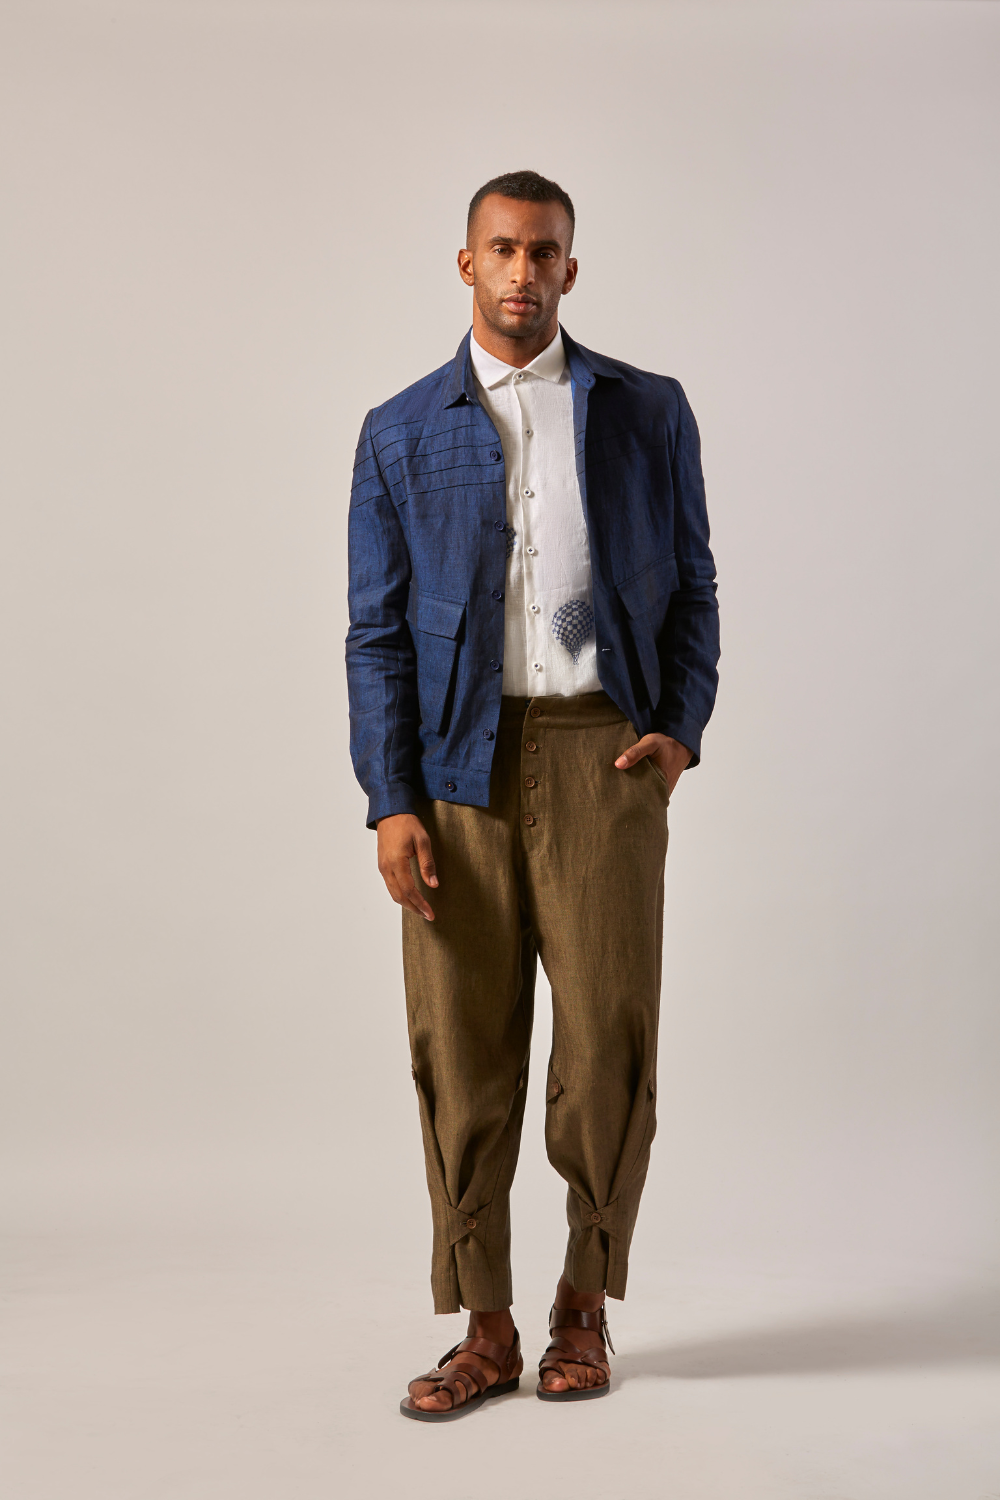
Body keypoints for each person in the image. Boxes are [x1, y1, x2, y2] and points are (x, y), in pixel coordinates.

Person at [346, 170, 719, 1419]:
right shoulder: (399, 430)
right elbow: (375, 635)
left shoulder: (645, 411)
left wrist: (677, 731)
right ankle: (487, 1326)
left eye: (543, 251)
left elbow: (696, 586)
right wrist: (390, 800)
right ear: (467, 264)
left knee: (607, 1040)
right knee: (461, 1049)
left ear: (570, 268)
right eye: (501, 249)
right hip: (454, 771)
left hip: (602, 756)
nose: (522, 271)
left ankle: (582, 1306)